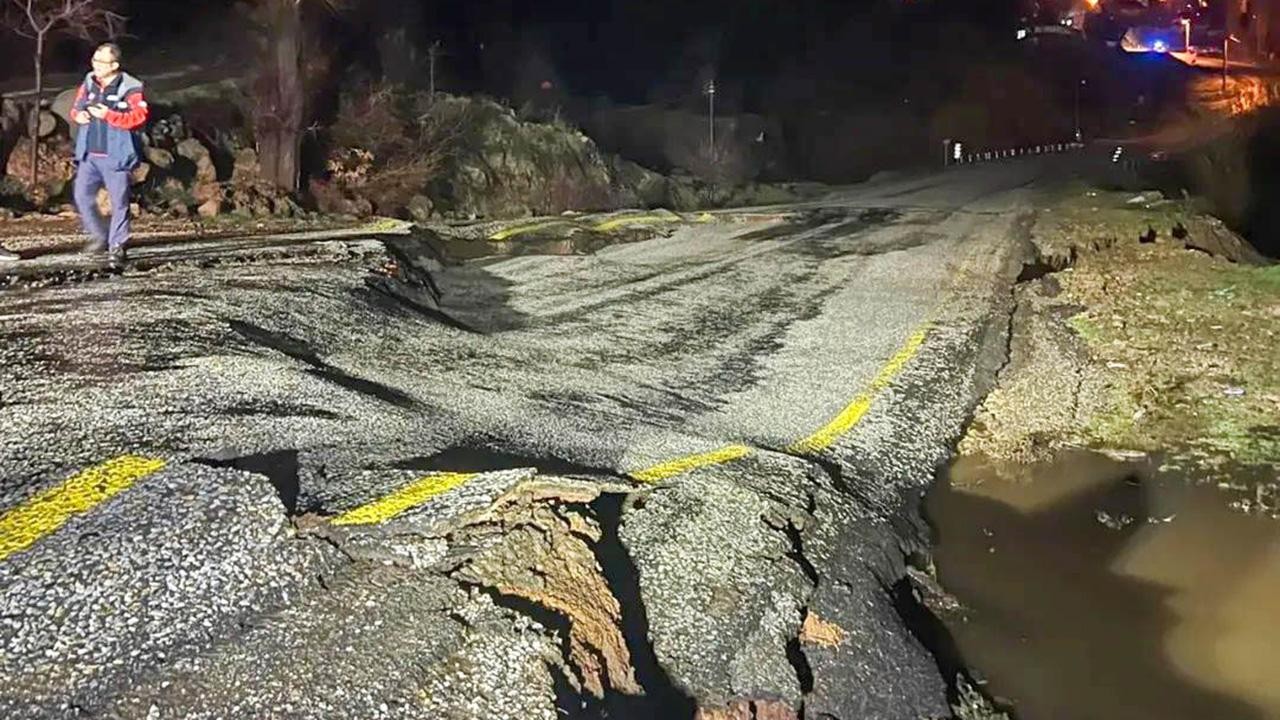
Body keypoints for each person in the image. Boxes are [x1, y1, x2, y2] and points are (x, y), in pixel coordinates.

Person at [69, 42, 149, 267]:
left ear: (114, 65)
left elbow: (139, 117)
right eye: (94, 60)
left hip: (116, 156)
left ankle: (118, 245)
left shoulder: (130, 87)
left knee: (119, 202)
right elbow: (77, 106)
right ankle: (99, 235)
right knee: (82, 196)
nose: (95, 65)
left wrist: (109, 115)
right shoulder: (89, 81)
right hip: (89, 154)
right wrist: (78, 115)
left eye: (101, 62)